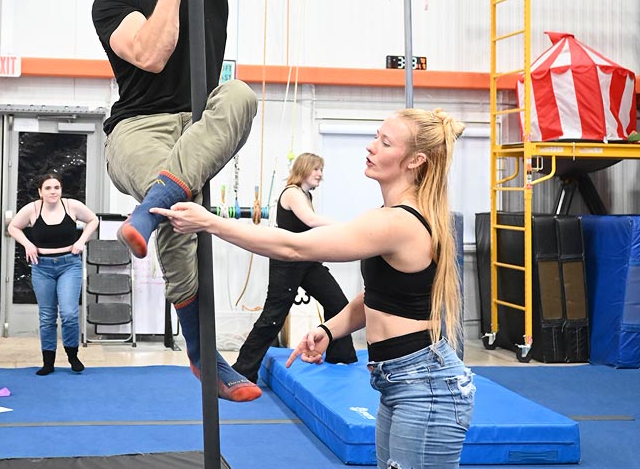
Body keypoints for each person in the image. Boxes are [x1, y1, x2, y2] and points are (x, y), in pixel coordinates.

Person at [155, 108, 475, 468]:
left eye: (385, 143)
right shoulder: (393, 214)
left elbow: (294, 247)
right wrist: (329, 329)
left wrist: (211, 223)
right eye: (376, 136)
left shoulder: (399, 221)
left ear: (415, 160)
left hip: (424, 385)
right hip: (400, 381)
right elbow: (380, 299)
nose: (371, 147)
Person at [91, 0, 260, 402]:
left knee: (240, 94)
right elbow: (153, 54)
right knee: (183, 219)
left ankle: (149, 212)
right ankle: (203, 354)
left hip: (200, 121)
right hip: (138, 129)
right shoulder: (113, 1)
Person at [231, 153, 357, 384]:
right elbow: (311, 220)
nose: (320, 174)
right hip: (287, 263)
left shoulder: (306, 195)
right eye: (316, 169)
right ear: (304, 169)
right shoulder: (292, 193)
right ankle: (242, 371)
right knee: (273, 317)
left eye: (321, 169)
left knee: (338, 303)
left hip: (307, 260)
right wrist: (349, 227)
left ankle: (341, 357)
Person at [8, 173, 99, 376]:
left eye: (56, 187)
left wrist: (81, 241)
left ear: (61, 189)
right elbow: (13, 227)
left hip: (69, 265)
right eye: (48, 188)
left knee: (69, 313)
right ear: (40, 192)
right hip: (42, 267)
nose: (53, 191)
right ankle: (48, 362)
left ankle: (72, 355)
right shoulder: (32, 209)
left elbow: (93, 220)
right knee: (47, 316)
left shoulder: (71, 206)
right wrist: (28, 244)